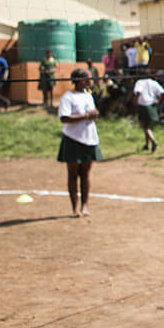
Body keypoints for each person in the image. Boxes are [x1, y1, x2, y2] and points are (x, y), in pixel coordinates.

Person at [57, 69, 101, 218]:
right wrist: (86, 116)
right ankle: (75, 207)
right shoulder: (68, 97)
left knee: (86, 173)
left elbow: (90, 111)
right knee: (73, 174)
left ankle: (85, 206)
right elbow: (64, 118)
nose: (91, 81)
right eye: (89, 78)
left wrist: (93, 114)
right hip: (73, 139)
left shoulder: (88, 96)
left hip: (89, 138)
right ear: (81, 80)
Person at [133, 75, 164, 153]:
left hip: (143, 105)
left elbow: (138, 92)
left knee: (144, 126)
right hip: (152, 105)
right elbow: (162, 92)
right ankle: (147, 144)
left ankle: (153, 141)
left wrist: (135, 102)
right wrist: (158, 101)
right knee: (147, 125)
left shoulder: (139, 82)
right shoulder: (154, 83)